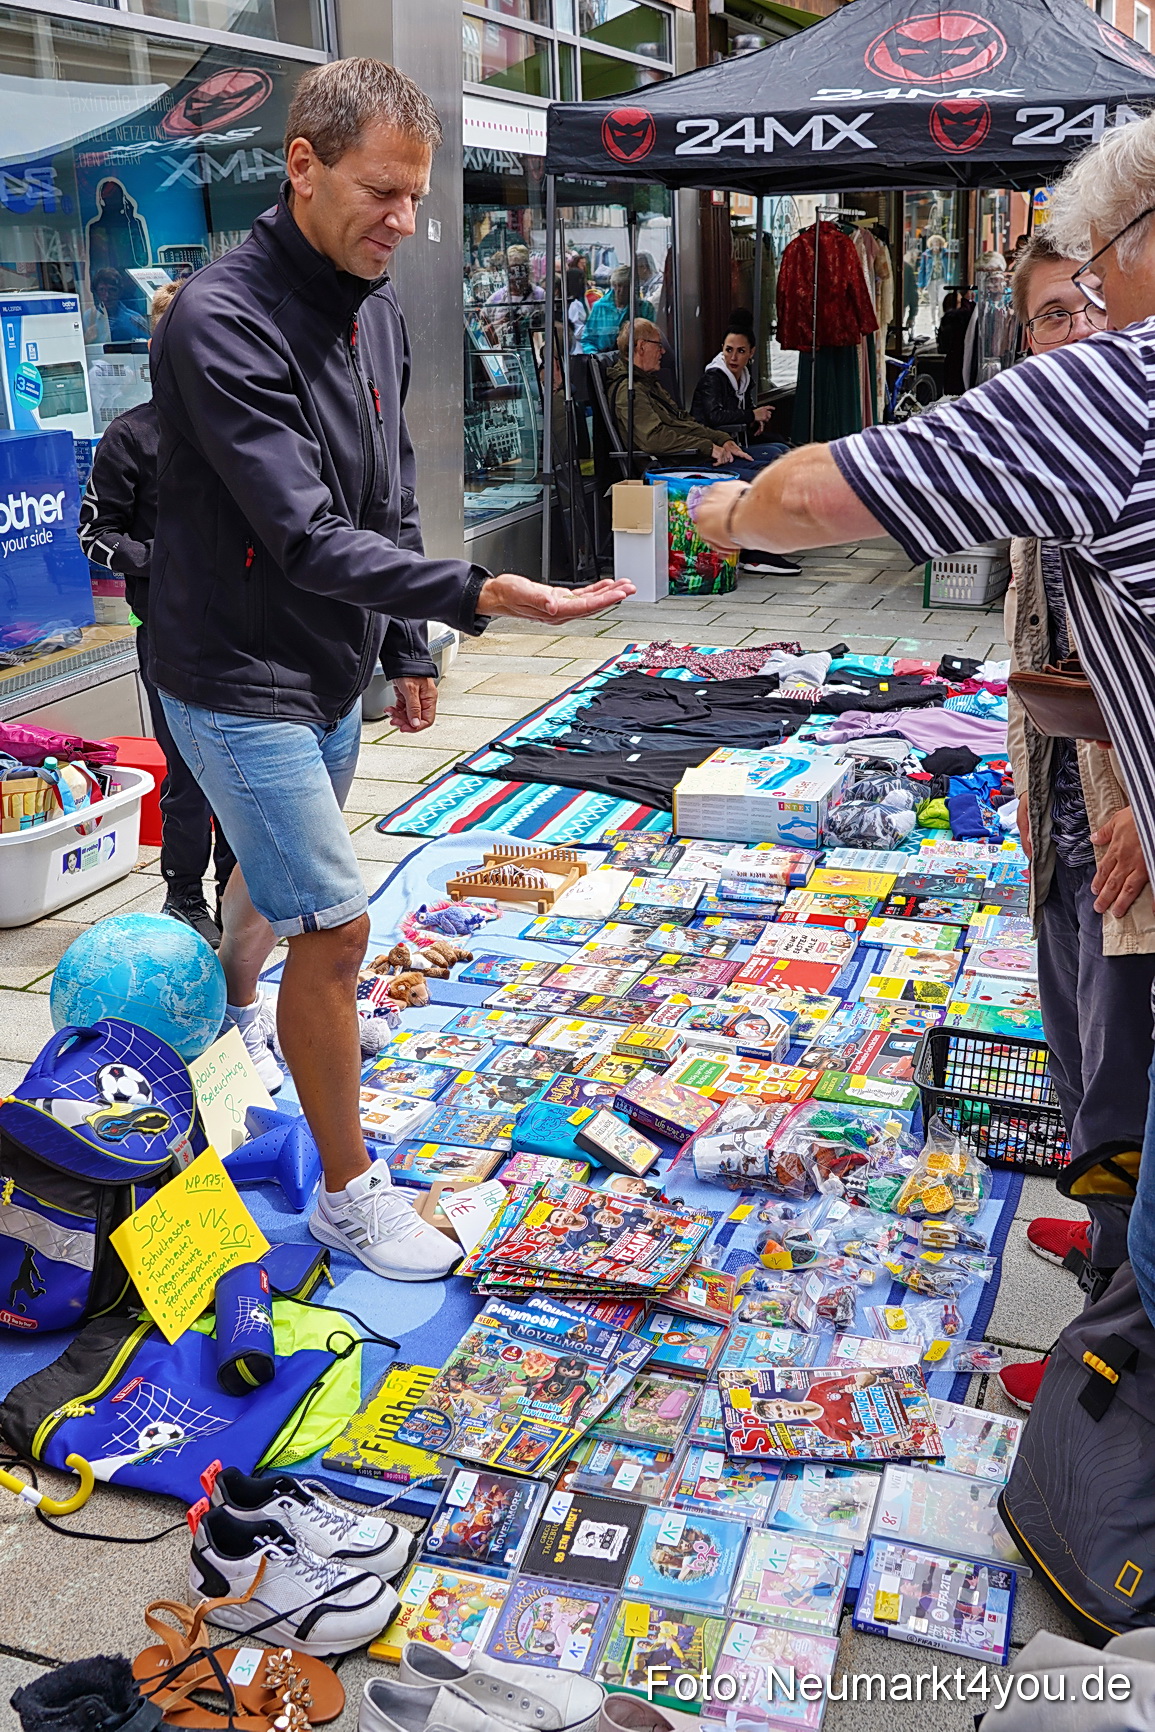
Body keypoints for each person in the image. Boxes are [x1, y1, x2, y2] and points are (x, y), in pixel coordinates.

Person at [148, 57, 634, 1283]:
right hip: (229, 663)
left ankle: (246, 1033)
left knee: (273, 903)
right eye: (381, 192)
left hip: (326, 661)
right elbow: (307, 532)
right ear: (300, 165)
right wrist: (479, 592)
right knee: (339, 922)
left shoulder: (380, 302)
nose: (403, 223)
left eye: (417, 198)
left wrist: (409, 642)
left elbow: (388, 489)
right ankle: (349, 1196)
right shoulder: (220, 316)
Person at [689, 110, 1155, 1327]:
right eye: (1068, 296)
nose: (1093, 303)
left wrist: (730, 511)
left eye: (1103, 267)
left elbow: (817, 495)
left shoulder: (1116, 392)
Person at [998, 232, 1155, 1409]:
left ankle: (1110, 1339)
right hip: (1056, 798)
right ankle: (1101, 1246)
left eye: (1086, 307)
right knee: (1070, 1045)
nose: (1073, 332)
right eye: (1051, 316)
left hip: (1123, 816)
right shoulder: (1045, 451)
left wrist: (1145, 809)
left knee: (1120, 1070)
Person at [78, 278, 235, 949]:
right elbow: (94, 533)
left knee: (245, 770)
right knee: (188, 768)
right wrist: (163, 558)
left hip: (248, 629)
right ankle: (183, 893)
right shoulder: (130, 435)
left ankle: (240, 894)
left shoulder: (243, 426)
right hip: (169, 632)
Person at [608, 319, 800, 578]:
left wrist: (721, 440)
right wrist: (707, 446)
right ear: (641, 347)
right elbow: (654, 439)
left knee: (768, 465)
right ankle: (755, 554)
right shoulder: (629, 391)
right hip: (672, 467)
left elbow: (684, 422)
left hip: (685, 456)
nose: (663, 351)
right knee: (759, 477)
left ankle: (761, 546)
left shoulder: (647, 384)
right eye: (658, 345)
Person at [690, 323, 774, 445]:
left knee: (783, 447)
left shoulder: (745, 376)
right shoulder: (713, 378)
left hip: (735, 438)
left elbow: (747, 407)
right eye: (729, 350)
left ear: (751, 352)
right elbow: (714, 416)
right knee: (778, 453)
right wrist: (751, 415)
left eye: (741, 351)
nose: (733, 357)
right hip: (710, 443)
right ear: (722, 348)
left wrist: (756, 417)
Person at [580, 263, 654, 353]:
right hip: (603, 359)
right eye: (618, 285)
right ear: (613, 285)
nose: (621, 291)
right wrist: (595, 357)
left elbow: (652, 339)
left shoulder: (645, 309)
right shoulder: (600, 308)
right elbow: (587, 340)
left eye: (626, 286)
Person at [83, 268, 149, 344]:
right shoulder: (88, 318)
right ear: (96, 293)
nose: (106, 296)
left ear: (120, 292)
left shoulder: (135, 319)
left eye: (112, 290)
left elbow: (149, 347)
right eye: (102, 290)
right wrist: (86, 338)